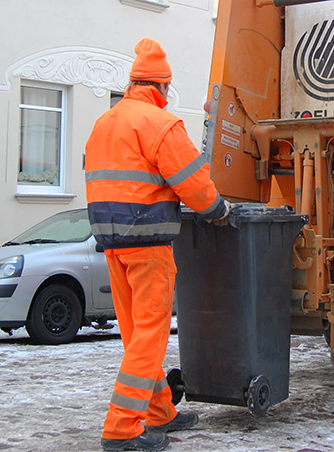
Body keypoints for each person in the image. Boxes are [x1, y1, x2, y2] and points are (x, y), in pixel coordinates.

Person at [85, 37, 230, 452]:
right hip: (148, 244)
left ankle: (160, 412)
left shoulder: (106, 122)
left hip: (112, 244)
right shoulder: (158, 124)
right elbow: (195, 185)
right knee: (150, 337)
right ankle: (121, 429)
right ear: (162, 87)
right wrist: (218, 210)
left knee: (136, 336)